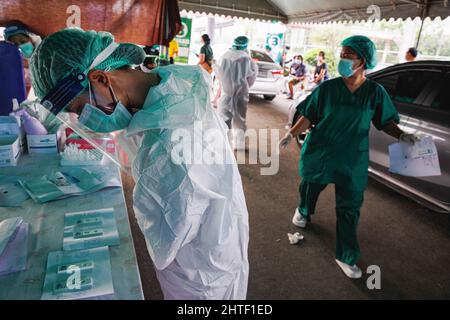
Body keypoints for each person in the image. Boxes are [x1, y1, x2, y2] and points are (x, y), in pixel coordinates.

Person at [30, 28, 249, 300]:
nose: (81, 119)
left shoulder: (169, 144)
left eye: (78, 108)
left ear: (99, 77)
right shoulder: (173, 89)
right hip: (220, 238)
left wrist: (145, 193)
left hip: (199, 272)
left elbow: (167, 240)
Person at [279, 35, 420, 279]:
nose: (342, 59)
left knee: (350, 208)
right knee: (311, 186)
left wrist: (401, 135)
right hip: (322, 151)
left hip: (352, 158)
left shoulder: (375, 92)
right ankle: (303, 210)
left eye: (349, 55)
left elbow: (385, 121)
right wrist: (292, 134)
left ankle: (345, 255)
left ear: (362, 61)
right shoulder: (328, 88)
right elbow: (309, 115)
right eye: (342, 54)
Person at [215, 36, 258, 150]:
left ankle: (225, 145)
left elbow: (219, 75)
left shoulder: (224, 56)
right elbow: (251, 77)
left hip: (226, 94)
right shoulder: (247, 58)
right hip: (241, 95)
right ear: (245, 45)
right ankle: (239, 145)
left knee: (225, 120)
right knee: (240, 120)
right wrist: (243, 87)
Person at [3, 22, 42, 94]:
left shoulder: (42, 55)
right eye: (15, 44)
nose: (20, 46)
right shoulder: (12, 62)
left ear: (31, 39)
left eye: (23, 41)